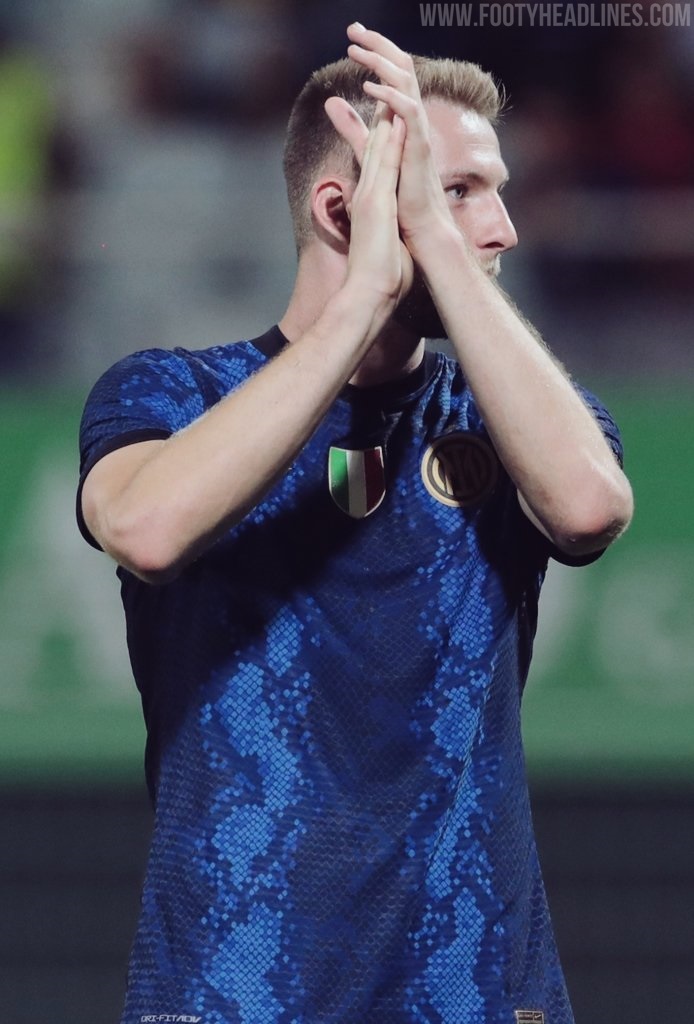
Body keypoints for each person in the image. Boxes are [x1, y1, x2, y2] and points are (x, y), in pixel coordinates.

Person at [77, 24, 633, 1024]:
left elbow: (589, 507)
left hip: (474, 993)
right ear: (343, 209)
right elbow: (146, 528)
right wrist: (366, 293)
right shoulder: (171, 392)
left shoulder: (501, 417)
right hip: (230, 993)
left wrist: (436, 250)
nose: (502, 228)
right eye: (456, 190)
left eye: (494, 191)